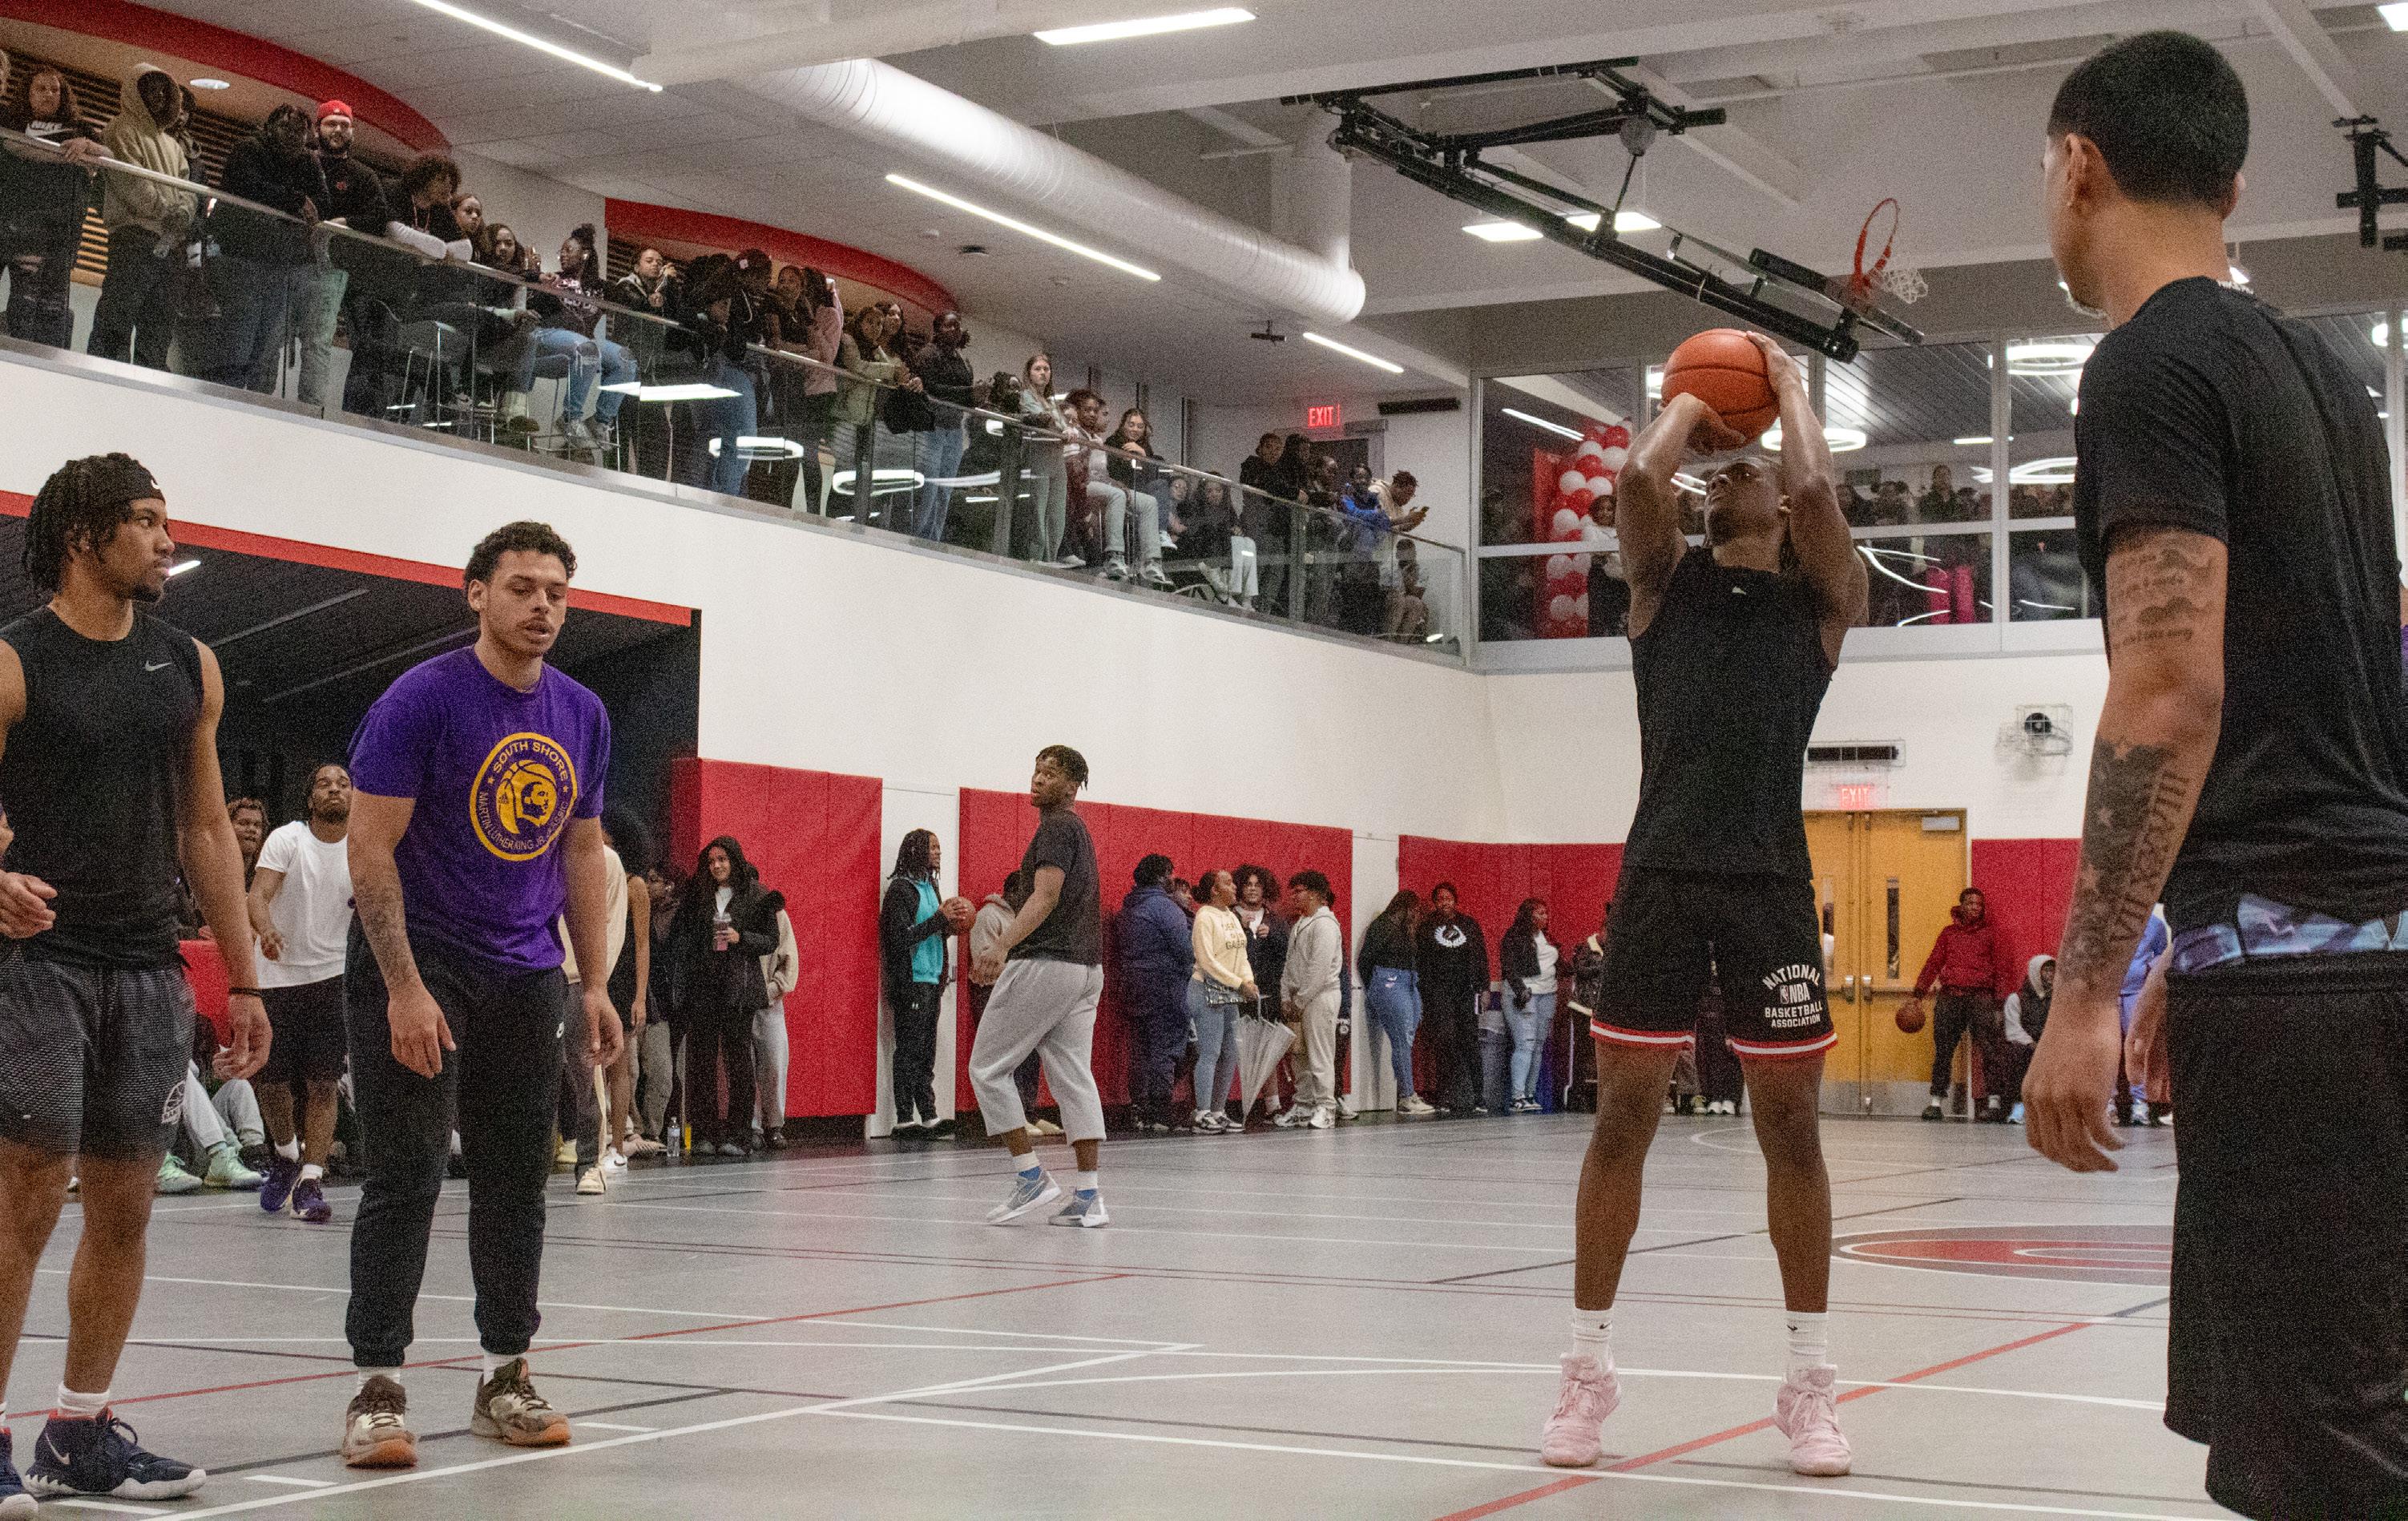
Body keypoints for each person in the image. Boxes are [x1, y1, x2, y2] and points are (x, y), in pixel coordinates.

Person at [2015, 35, 2408, 1520]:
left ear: (2080, 167)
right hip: (2358, 953)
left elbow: (2171, 687)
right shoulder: (2330, 379)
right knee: (2342, 1416)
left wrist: (2083, 993)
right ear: (2233, 188)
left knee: (2325, 1457)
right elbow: (2352, 685)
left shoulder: (2146, 367)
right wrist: (2203, 932)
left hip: (2301, 1013)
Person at [1543, 327, 1867, 1479]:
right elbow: (1638, 476)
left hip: (1770, 881)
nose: (1731, 475)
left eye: (1750, 472)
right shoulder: (1662, 587)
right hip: (1661, 876)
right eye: (1720, 472)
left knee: (1790, 1131)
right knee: (1621, 1120)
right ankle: (1585, 1369)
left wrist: (1783, 388)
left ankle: (1809, 1384)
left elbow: (1817, 488)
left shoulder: (1821, 601)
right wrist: (1690, 397)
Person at [0, 455, 267, 1509]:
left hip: (149, 973)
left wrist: (244, 979)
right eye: (147, 521)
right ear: (84, 536)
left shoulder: (189, 664)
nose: (167, 540)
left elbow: (206, 826)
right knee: (23, 1204)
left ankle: (78, 1430)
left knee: (125, 1208)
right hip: (41, 968)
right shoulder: (14, 662)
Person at [336, 520, 615, 1470]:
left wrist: (593, 982)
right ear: (476, 593)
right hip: (422, 961)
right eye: (523, 587)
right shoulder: (421, 698)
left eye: (557, 593)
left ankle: (506, 1374)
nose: (542, 606)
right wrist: (403, 986)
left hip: (526, 971)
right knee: (407, 1173)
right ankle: (378, 1388)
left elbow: (582, 849)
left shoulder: (582, 712)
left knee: (515, 1178)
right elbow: (368, 846)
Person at [967, 745, 1108, 1225]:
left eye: (1051, 773)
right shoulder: (1078, 831)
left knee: (987, 1068)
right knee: (1074, 1075)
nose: (1039, 778)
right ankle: (1088, 1196)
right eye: (1037, 770)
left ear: (1071, 787)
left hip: (1047, 963)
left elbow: (1045, 896)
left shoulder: (1056, 828)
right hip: (1086, 969)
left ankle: (1030, 1178)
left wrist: (1002, 944)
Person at [246, 762, 354, 1224]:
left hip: (334, 976)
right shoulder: (287, 839)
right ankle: (287, 1155)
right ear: (311, 799)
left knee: (323, 1083)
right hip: (277, 975)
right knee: (271, 1083)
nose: (334, 789)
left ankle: (311, 1179)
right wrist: (267, 930)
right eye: (324, 784)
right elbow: (257, 897)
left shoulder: (362, 846)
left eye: (343, 784)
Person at [669, 837, 783, 1157]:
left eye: (722, 860)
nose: (716, 866)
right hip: (704, 986)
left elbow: (771, 940)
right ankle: (704, 1132)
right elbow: (683, 935)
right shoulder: (698, 894)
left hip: (739, 988)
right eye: (711, 861)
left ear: (734, 861)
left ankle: (740, 1133)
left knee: (739, 1062)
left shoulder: (756, 894)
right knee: (702, 1061)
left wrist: (739, 937)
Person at [210, 104, 330, 393]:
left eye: (300, 131)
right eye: (286, 128)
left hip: (282, 263)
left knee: (268, 344)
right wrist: (296, 200)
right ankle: (224, 397)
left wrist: (294, 202)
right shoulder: (248, 149)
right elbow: (248, 186)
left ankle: (259, 404)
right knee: (239, 336)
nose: (293, 136)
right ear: (269, 128)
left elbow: (323, 204)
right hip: (241, 257)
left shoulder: (308, 162)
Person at [86, 67, 190, 371]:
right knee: (116, 320)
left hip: (170, 244)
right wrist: (169, 212)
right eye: (150, 89)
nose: (158, 96)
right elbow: (130, 183)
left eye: (163, 90)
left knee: (158, 327)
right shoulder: (120, 129)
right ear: (135, 92)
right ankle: (100, 381)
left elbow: (188, 189)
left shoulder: (173, 146)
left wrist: (182, 214)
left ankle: (148, 388)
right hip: (133, 237)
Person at [880, 829, 971, 1136]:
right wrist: (939, 920)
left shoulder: (932, 887)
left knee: (926, 1052)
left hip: (932, 980)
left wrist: (950, 927)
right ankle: (904, 1118)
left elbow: (934, 930)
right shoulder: (900, 890)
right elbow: (898, 939)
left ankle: (929, 1115)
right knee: (908, 1050)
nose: (938, 852)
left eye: (939, 847)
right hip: (911, 981)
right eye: (932, 847)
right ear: (916, 851)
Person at [299, 101, 387, 413]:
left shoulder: (364, 175)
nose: (338, 130)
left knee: (318, 343)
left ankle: (312, 412)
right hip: (288, 260)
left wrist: (343, 223)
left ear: (353, 132)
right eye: (331, 123)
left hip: (332, 270)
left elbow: (379, 217)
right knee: (271, 337)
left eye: (344, 125)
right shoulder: (301, 162)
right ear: (317, 128)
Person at [0, 67, 97, 349]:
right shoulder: (11, 119)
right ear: (28, 92)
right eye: (41, 89)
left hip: (61, 228)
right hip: (17, 221)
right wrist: (66, 155)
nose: (49, 94)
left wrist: (85, 145)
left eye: (55, 90)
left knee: (49, 305)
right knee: (24, 298)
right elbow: (13, 147)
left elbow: (107, 156)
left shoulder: (79, 128)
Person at [1902, 887, 2017, 1121]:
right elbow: (1933, 963)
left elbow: (2002, 969)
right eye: (1970, 903)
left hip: (1981, 998)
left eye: (1979, 904)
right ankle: (1936, 1102)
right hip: (1950, 997)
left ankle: (1994, 1103)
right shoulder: (1949, 934)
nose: (1975, 907)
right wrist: (1918, 993)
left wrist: (1999, 1004)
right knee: (1943, 1051)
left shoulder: (1991, 934)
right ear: (1961, 906)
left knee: (1989, 1050)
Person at [526, 224, 635, 458]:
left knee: (625, 359)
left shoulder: (600, 288)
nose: (563, 255)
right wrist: (537, 277)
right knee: (587, 347)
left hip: (585, 343)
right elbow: (532, 306)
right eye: (561, 251)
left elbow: (631, 301)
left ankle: (601, 420)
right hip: (549, 335)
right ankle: (570, 417)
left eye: (568, 250)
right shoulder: (554, 279)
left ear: (584, 255)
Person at [968, 871, 1050, 1133]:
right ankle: (1012, 1118)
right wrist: (1025, 970)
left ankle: (1029, 1112)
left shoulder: (1024, 920)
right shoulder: (988, 917)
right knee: (1007, 1059)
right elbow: (983, 962)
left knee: (1030, 1055)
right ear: (1013, 892)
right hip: (994, 993)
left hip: (1024, 994)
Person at [1119, 854, 1194, 1134]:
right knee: (1166, 1048)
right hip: (1165, 984)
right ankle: (1161, 1110)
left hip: (1133, 984)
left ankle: (1140, 1109)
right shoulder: (1165, 908)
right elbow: (1185, 950)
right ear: (1163, 876)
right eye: (1172, 873)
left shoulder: (1129, 906)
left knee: (1141, 1049)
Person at [599, 815, 658, 1164]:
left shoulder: (635, 885)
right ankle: (592, 1140)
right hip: (594, 972)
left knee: (618, 1066)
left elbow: (642, 945)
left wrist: (640, 997)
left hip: (620, 979)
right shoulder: (593, 875)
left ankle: (618, 1147)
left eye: (605, 837)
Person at [1188, 868, 1255, 1135]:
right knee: (1210, 1053)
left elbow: (1242, 955)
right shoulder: (1205, 917)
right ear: (1215, 890)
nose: (1235, 887)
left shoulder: (1231, 916)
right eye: (1228, 883)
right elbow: (1207, 962)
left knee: (1230, 1054)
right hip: (1206, 990)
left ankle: (1218, 1111)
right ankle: (1202, 1113)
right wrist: (1239, 983)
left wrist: (1248, 980)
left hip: (1230, 992)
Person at [1414, 882, 1489, 1116]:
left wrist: (1485, 988)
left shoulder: (1469, 925)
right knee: (1445, 1042)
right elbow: (1421, 961)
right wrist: (1424, 992)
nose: (1445, 903)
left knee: (1471, 1042)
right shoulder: (1427, 927)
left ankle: (1479, 1096)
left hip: (1466, 992)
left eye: (1448, 898)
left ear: (1455, 901)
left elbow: (1481, 957)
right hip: (1439, 993)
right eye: (1440, 899)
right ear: (1435, 903)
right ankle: (1444, 1095)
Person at [1278, 871, 1344, 1130]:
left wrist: (1300, 1000)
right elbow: (1290, 965)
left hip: (1320, 996)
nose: (1294, 897)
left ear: (1316, 894)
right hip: (1299, 999)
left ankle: (1326, 1108)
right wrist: (1286, 997)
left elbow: (1319, 969)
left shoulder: (1325, 924)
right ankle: (1304, 1105)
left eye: (1299, 891)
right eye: (1293, 892)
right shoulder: (1301, 924)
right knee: (1299, 1056)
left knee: (1320, 1054)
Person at [906, 313, 976, 543]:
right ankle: (917, 538)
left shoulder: (963, 361)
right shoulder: (928, 354)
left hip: (954, 430)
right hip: (932, 428)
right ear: (937, 330)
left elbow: (966, 397)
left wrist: (976, 395)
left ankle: (933, 539)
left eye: (957, 326)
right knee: (928, 488)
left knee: (945, 490)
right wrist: (967, 394)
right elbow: (931, 388)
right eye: (949, 325)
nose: (954, 330)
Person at [1359, 891, 1428, 1115]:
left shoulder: (1403, 929)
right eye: (1414, 910)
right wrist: (1374, 987)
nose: (1416, 914)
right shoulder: (1383, 926)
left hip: (1408, 980)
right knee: (1402, 1039)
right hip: (1390, 979)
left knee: (1406, 1037)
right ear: (1405, 908)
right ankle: (1407, 1095)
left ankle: (1408, 1093)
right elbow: (1365, 959)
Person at [1498, 898, 1559, 1115]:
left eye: (1545, 913)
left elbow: (1554, 962)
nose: (1544, 917)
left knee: (1538, 1045)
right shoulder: (1514, 936)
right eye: (1539, 913)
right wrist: (1520, 990)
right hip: (1525, 993)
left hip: (1548, 993)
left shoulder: (1547, 936)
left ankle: (1530, 1093)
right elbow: (1508, 967)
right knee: (1525, 1043)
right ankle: (1517, 1097)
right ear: (1527, 915)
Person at [1102, 410, 1171, 586]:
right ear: (1123, 425)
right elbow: (1113, 472)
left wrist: (1143, 456)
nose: (1135, 429)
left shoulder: (1145, 446)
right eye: (1131, 424)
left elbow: (1151, 477)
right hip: (1121, 489)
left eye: (1140, 426)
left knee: (1161, 485)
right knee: (1152, 496)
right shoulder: (1113, 442)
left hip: (1142, 490)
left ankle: (1161, 533)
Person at [752, 891, 799, 1151]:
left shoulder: (778, 916)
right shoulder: (729, 916)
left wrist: (771, 990)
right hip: (740, 1004)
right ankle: (751, 1127)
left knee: (774, 1063)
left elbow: (789, 961)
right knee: (743, 1069)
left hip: (770, 1004)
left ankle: (774, 1125)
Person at [2114, 908, 2168, 1126]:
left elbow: (2162, 953)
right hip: (2108, 992)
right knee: (2108, 1048)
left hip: (2137, 991)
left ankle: (2140, 1103)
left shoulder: (2155, 924)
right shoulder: (2109, 918)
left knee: (2138, 1047)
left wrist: (2148, 968)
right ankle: (2107, 1103)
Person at [1016, 355, 1073, 564]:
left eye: (1046, 369)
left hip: (1056, 458)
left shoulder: (1051, 401)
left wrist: (1067, 429)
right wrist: (1064, 428)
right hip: (1038, 455)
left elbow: (1062, 425)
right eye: (1038, 369)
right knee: (1038, 509)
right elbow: (1044, 421)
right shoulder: (1025, 396)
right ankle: (1035, 556)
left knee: (1057, 513)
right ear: (1029, 373)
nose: (1043, 373)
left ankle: (1051, 557)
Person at [1561, 904, 1609, 1113]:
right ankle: (1577, 1094)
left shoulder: (1614, 951)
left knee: (1602, 1055)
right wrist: (1603, 966)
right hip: (1582, 1007)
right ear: (1602, 930)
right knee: (1582, 1053)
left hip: (1602, 1010)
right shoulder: (1586, 947)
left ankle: (1600, 1096)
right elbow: (1579, 970)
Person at [1999, 953, 2055, 1126]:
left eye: (2053, 971)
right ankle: (2019, 1107)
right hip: (2027, 1046)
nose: (2051, 975)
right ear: (2035, 972)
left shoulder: (2058, 999)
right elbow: (2013, 1029)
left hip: (2050, 1045)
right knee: (2018, 1053)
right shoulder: (2016, 998)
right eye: (2046, 970)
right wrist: (2032, 1044)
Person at [227, 797, 268, 885]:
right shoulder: (212, 868)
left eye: (257, 825)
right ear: (228, 827)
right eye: (243, 823)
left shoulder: (267, 872)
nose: (252, 829)